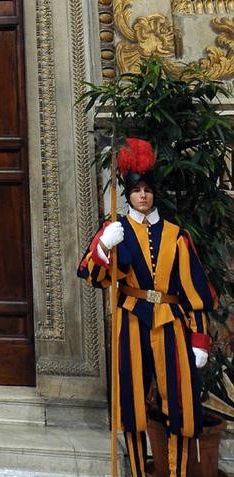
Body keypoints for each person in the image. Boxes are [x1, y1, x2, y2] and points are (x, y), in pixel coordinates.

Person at [77, 138, 216, 477]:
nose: (143, 195)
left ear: (154, 194)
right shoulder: (116, 230)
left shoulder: (176, 235)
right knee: (132, 404)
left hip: (171, 322)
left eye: (148, 189)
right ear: (128, 194)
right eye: (136, 190)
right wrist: (104, 249)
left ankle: (177, 472)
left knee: (181, 405)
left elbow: (193, 289)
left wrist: (198, 337)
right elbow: (95, 277)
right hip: (131, 322)